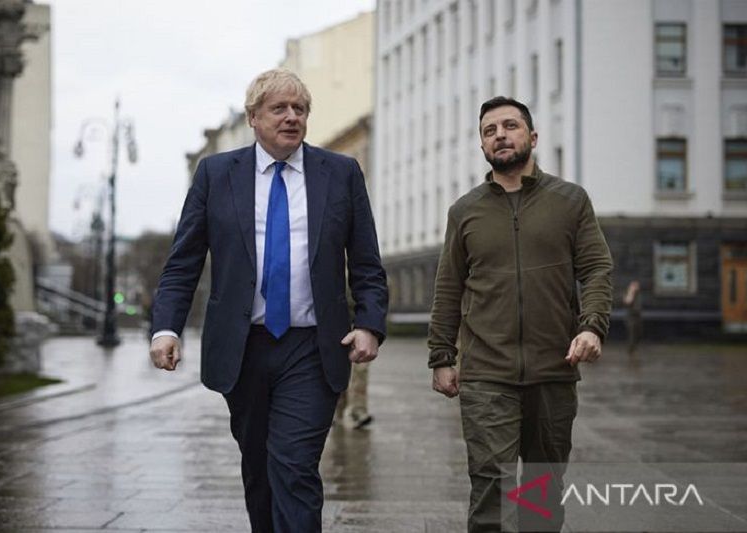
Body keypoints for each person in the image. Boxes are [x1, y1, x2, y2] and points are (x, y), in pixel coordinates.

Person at [148, 68, 388, 533]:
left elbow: (366, 261)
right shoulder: (217, 174)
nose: (292, 117)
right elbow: (184, 261)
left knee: (294, 465)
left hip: (313, 347)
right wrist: (165, 328)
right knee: (259, 468)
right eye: (279, 108)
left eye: (300, 109)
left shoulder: (339, 174)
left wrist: (370, 322)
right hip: (244, 347)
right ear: (253, 117)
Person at [428, 96, 613, 532]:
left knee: (542, 492)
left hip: (554, 368)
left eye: (509, 126)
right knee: (490, 485)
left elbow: (596, 267)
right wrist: (441, 356)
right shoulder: (465, 210)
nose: (500, 136)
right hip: (487, 373)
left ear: (532, 137)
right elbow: (448, 285)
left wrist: (592, 326)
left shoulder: (570, 201)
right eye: (489, 131)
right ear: (482, 145)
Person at [623, 280, 642, 355]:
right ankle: (631, 350)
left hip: (638, 317)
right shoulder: (629, 293)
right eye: (635, 285)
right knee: (632, 334)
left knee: (638, 333)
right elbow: (628, 301)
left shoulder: (638, 294)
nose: (637, 287)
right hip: (631, 318)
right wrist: (631, 291)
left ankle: (634, 348)